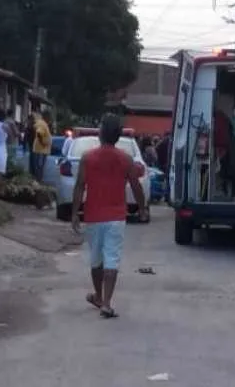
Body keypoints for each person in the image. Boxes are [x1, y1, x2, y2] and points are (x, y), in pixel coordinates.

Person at [71, 114, 148, 319]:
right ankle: (106, 303)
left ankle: (98, 295)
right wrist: (142, 209)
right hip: (116, 216)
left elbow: (80, 185)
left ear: (101, 133)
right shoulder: (126, 159)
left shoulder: (88, 157)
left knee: (96, 259)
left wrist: (74, 213)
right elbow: (135, 185)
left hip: (93, 215)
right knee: (112, 258)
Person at [32, 111, 52, 182]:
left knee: (39, 167)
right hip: (40, 150)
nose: (50, 119)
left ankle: (38, 180)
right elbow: (39, 133)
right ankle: (38, 181)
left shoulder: (42, 123)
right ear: (46, 117)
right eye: (49, 117)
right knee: (39, 167)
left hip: (41, 150)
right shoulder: (42, 124)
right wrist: (43, 143)